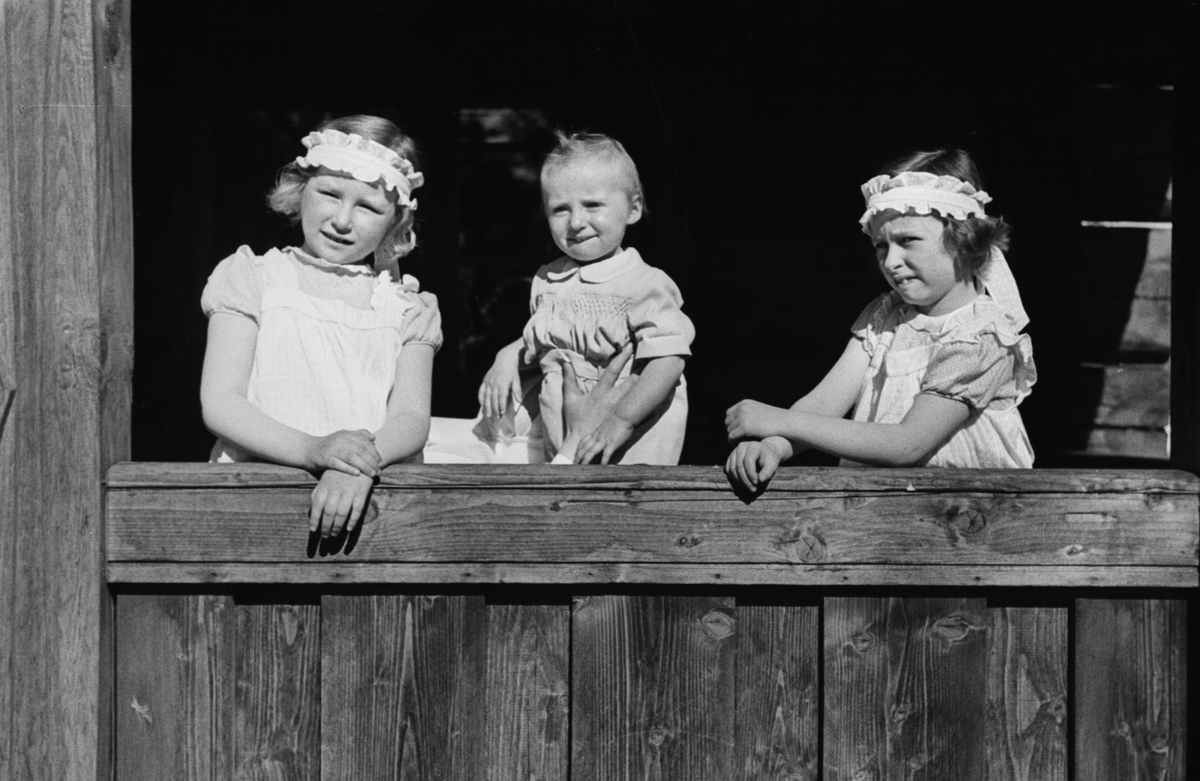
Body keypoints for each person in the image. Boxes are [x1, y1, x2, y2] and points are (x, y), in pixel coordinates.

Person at [725, 149, 1036, 491]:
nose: (890, 261)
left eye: (907, 241)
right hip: (883, 508)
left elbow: (907, 444)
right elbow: (823, 404)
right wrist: (773, 445)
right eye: (881, 246)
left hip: (967, 516)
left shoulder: (982, 336)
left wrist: (778, 420)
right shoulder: (884, 316)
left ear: (964, 239)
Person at [200, 115, 440, 537]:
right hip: (254, 498)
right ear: (300, 190)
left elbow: (411, 417)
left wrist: (357, 464)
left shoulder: (405, 306)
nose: (343, 220)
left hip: (364, 507)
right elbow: (222, 402)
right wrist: (316, 451)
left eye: (368, 206)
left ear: (395, 221)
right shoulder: (253, 277)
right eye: (330, 194)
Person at [477, 131, 695, 465]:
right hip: (564, 440)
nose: (577, 222)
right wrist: (509, 356)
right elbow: (548, 341)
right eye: (560, 209)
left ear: (633, 208)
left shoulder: (644, 283)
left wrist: (620, 422)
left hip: (628, 440)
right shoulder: (548, 280)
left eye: (593, 205)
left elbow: (669, 360)